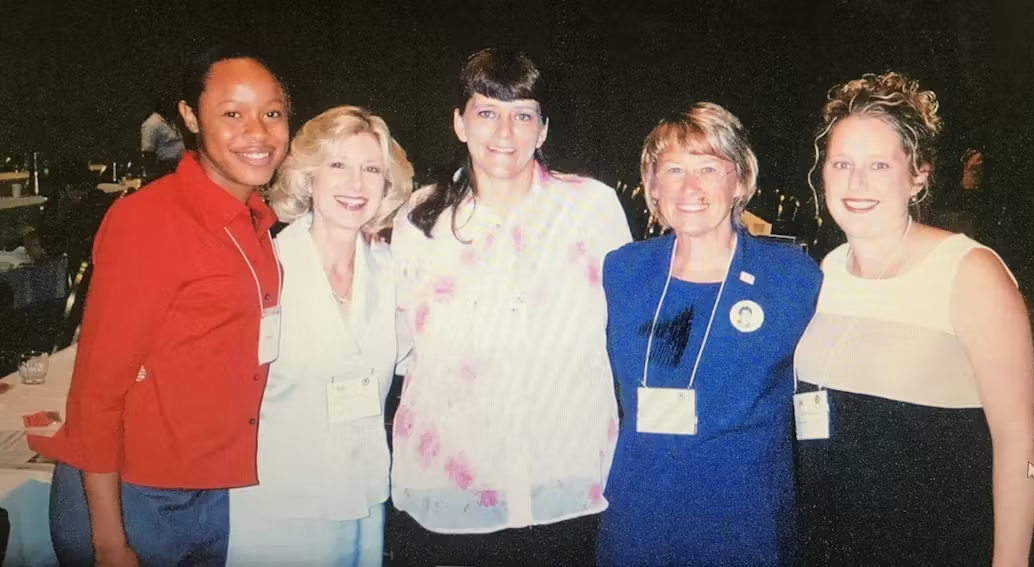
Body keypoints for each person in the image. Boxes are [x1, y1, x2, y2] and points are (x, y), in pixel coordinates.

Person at [32, 44, 290, 567]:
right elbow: (96, 392)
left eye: (272, 113)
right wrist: (108, 541)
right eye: (232, 114)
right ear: (190, 117)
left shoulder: (256, 222)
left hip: (209, 489)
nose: (258, 132)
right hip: (133, 498)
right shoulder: (149, 221)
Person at [388, 48, 632, 566]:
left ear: (543, 129)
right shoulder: (421, 216)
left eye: (522, 114)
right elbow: (401, 341)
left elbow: (626, 327)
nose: (504, 133)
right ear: (459, 123)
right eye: (486, 113)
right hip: (453, 484)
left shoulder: (591, 207)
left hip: (565, 478)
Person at [794, 72, 1034, 565]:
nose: (855, 183)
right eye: (842, 163)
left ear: (919, 173)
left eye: (879, 165)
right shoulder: (827, 270)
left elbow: (1019, 445)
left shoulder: (969, 272)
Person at [596, 103, 822, 566]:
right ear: (653, 186)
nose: (690, 187)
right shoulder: (623, 271)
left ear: (739, 180)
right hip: (637, 520)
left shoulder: (791, 278)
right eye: (673, 169)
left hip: (744, 526)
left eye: (708, 168)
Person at [225, 105, 414, 566]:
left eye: (371, 169)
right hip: (277, 511)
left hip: (363, 501)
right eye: (338, 165)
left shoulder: (394, 271)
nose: (356, 184)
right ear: (308, 177)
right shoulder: (261, 270)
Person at [140, 98, 186, 175]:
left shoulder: (170, 121)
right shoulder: (152, 124)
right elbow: (147, 152)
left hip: (179, 165)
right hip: (164, 168)